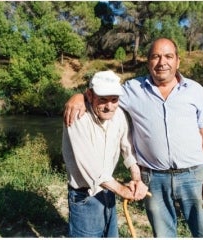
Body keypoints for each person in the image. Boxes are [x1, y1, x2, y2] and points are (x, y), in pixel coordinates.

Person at [64, 38, 203, 238]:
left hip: (194, 176)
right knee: (163, 235)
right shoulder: (131, 89)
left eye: (168, 56)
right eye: (155, 56)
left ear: (178, 61)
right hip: (154, 178)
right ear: (148, 62)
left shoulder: (196, 90)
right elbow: (100, 96)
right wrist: (78, 96)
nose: (162, 62)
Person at [62, 70, 149, 237]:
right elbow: (92, 169)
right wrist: (123, 191)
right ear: (89, 95)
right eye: (103, 99)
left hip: (108, 192)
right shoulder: (77, 118)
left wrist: (136, 177)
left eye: (114, 100)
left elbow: (127, 147)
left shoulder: (118, 115)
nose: (109, 106)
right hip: (84, 196)